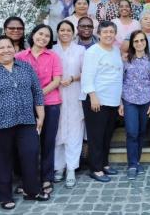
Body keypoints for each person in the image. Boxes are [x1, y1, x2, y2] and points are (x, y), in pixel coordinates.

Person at [0, 35, 48, 210]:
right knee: (2, 160)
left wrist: (41, 116)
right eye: (1, 47)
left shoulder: (25, 67)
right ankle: (4, 196)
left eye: (9, 46)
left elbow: (37, 92)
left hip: (26, 121)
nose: (6, 50)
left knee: (30, 154)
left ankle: (32, 190)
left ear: (15, 49)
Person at [16, 24, 62, 195]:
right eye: (40, 34)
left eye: (47, 36)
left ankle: (47, 178)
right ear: (33, 35)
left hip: (50, 104)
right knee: (27, 145)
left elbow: (56, 80)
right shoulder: (19, 56)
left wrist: (37, 94)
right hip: (25, 106)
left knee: (48, 143)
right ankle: (27, 179)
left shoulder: (53, 57)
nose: (43, 38)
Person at [81, 21, 123, 182]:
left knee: (106, 135)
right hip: (96, 100)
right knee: (96, 136)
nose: (108, 35)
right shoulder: (93, 51)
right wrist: (92, 95)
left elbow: (118, 77)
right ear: (98, 34)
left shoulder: (115, 50)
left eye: (111, 32)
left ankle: (104, 163)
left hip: (112, 100)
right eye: (105, 32)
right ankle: (95, 168)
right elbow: (87, 75)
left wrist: (119, 101)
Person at [121, 30, 150, 180]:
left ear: (146, 42)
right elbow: (120, 81)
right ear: (132, 44)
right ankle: (131, 164)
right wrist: (120, 103)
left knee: (142, 132)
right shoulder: (126, 60)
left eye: (142, 40)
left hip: (146, 100)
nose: (139, 43)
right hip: (129, 100)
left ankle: (137, 161)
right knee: (132, 132)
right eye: (136, 41)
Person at [52, 20, 85, 189]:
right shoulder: (52, 51)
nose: (65, 33)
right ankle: (58, 167)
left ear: (73, 33)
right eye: (62, 30)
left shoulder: (80, 50)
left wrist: (72, 78)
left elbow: (85, 72)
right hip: (55, 94)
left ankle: (71, 168)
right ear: (57, 32)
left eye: (68, 30)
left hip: (74, 92)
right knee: (57, 131)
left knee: (74, 131)